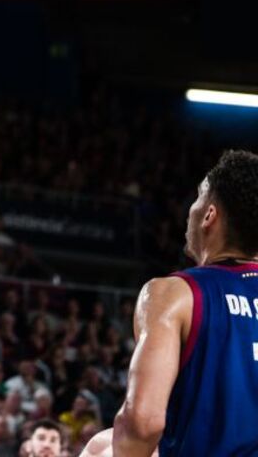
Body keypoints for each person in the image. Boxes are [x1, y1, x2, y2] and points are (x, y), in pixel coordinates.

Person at [79, 150, 258, 457]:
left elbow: (142, 425)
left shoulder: (173, 294)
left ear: (209, 215)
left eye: (198, 197)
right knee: (101, 445)